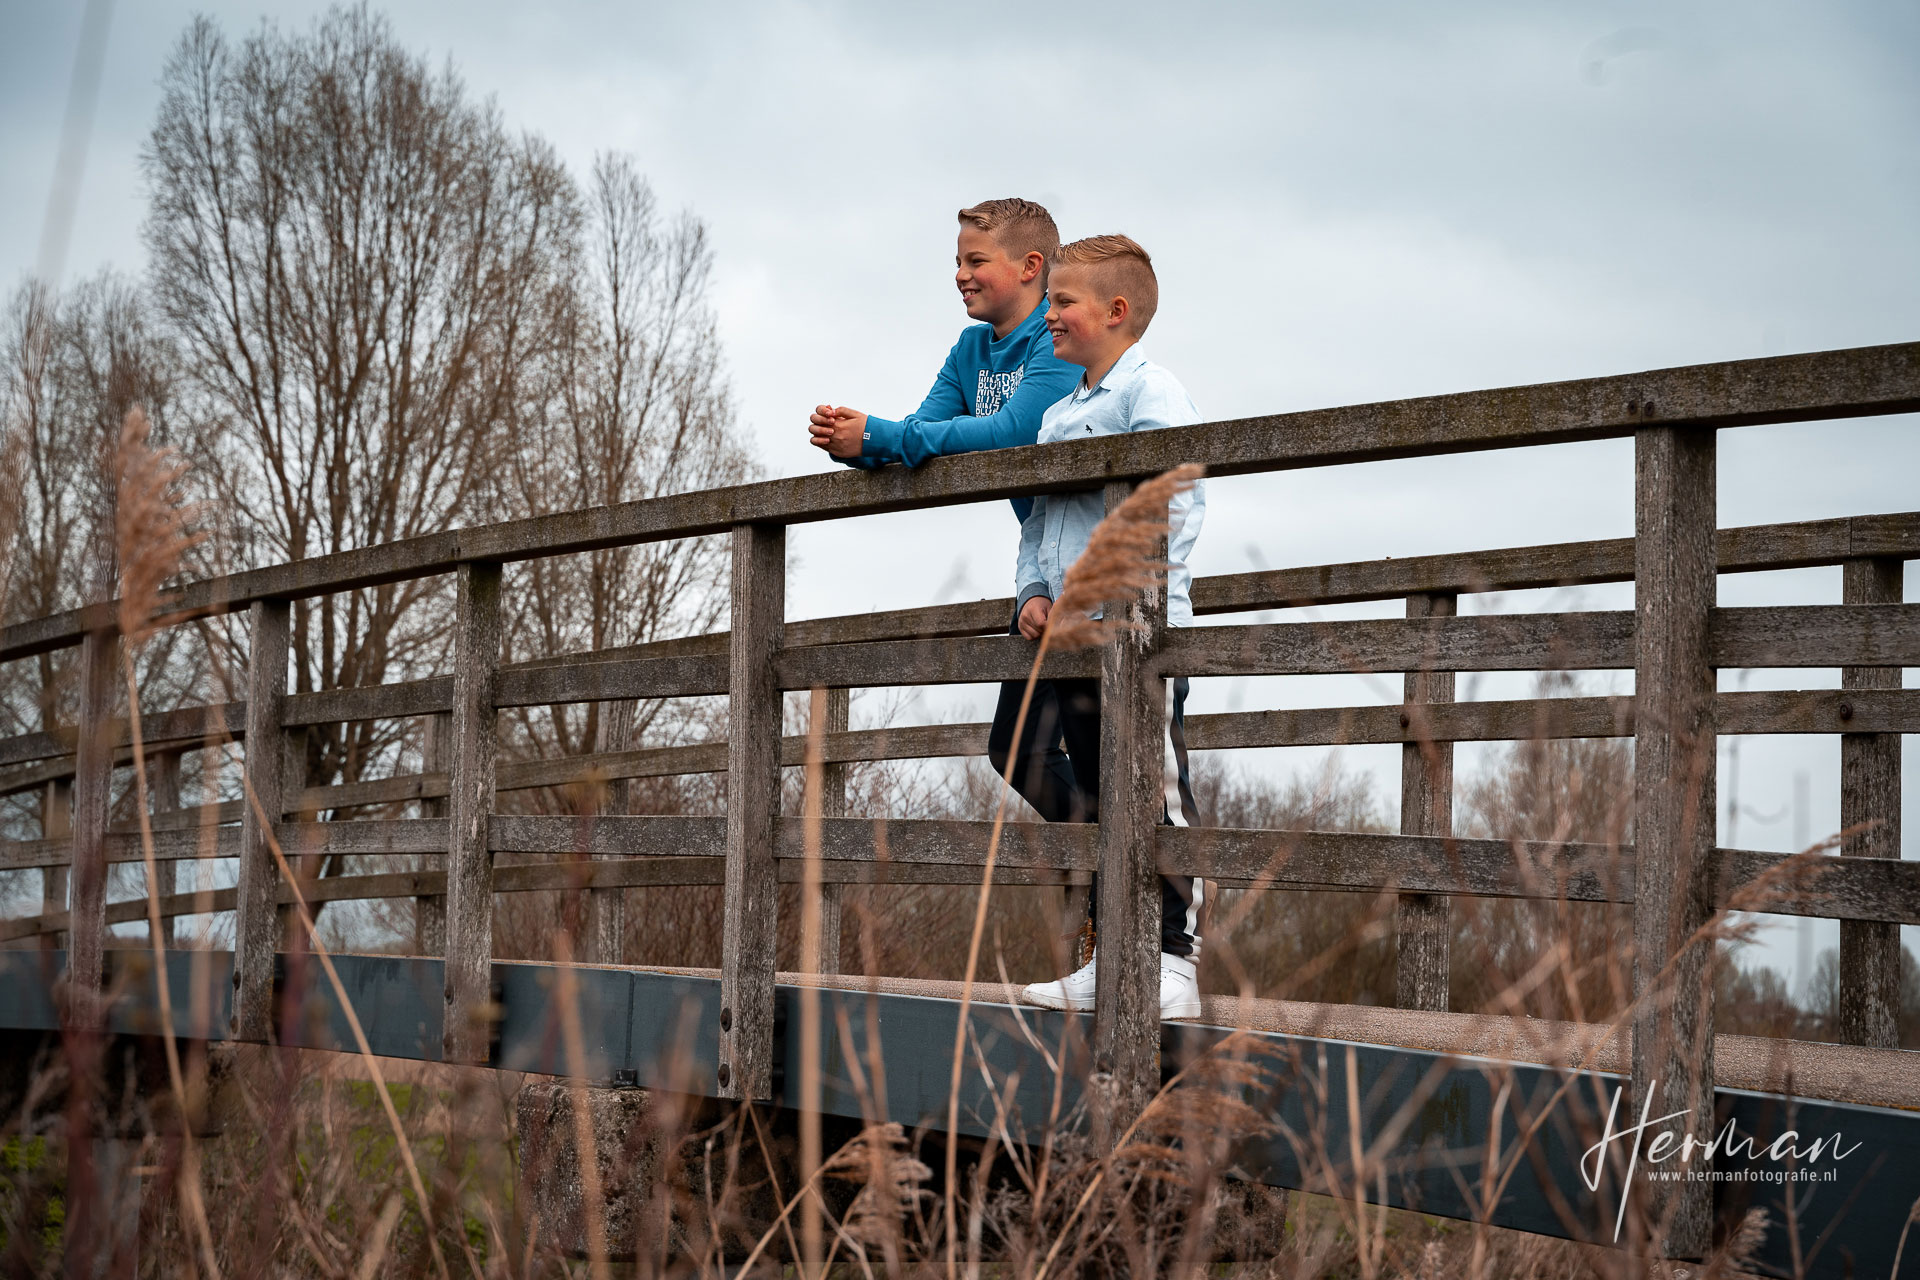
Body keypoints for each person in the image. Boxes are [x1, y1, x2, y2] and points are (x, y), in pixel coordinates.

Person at [809, 198, 1089, 878]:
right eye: (956, 262)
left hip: (1097, 574)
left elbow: (1013, 435)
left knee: (1102, 752)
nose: (960, 275)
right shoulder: (970, 351)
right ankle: (1107, 865)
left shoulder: (1054, 344)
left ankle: (1135, 879)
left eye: (975, 261)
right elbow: (923, 429)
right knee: (1015, 749)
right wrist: (857, 444)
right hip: (1044, 575)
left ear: (1030, 268)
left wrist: (884, 436)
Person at [1005, 234, 1207, 1021]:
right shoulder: (1058, 415)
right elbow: (1038, 522)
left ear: (1116, 312)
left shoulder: (1151, 396)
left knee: (1152, 793)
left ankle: (1175, 960)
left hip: (1138, 639)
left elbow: (1176, 502)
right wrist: (1030, 591)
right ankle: (1111, 948)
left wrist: (1121, 600)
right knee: (1081, 787)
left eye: (1061, 302)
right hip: (1068, 643)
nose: (1047, 315)